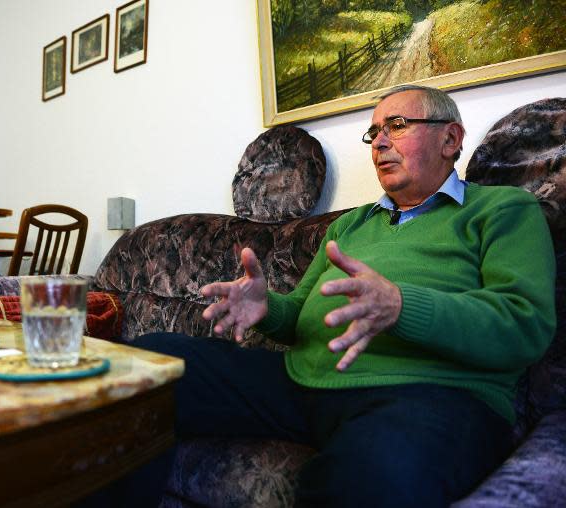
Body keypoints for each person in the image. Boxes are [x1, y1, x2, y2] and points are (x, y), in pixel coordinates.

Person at [97, 85, 556, 507]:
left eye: (396, 126)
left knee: (368, 479)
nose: (379, 142)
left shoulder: (502, 210)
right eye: (374, 131)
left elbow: (524, 323)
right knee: (146, 368)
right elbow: (299, 315)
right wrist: (266, 307)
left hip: (431, 393)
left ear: (450, 139)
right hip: (302, 381)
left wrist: (400, 306)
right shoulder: (350, 225)